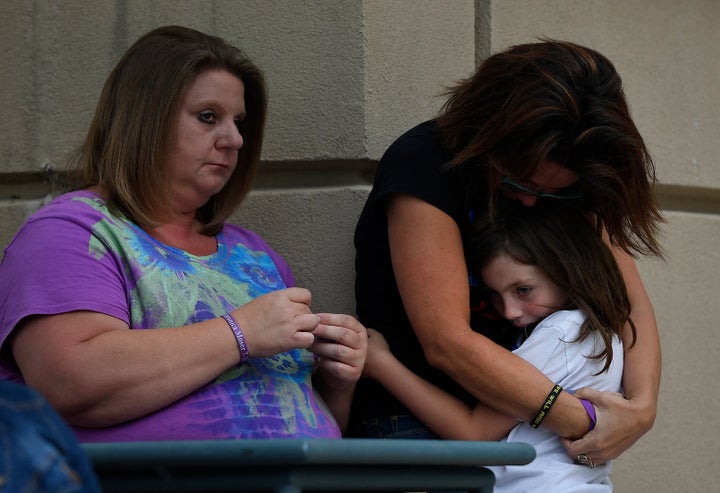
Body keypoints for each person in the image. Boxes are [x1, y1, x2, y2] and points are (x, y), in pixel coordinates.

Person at [0, 25, 367, 442]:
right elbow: (70, 383)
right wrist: (240, 332)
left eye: (239, 122)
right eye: (208, 117)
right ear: (145, 120)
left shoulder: (255, 254)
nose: (234, 139)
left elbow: (300, 418)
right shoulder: (71, 232)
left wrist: (336, 385)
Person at [351, 40, 663, 466]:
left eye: (555, 192)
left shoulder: (574, 170)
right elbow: (447, 343)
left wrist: (641, 411)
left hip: (520, 426)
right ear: (491, 132)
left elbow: (629, 307)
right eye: (519, 183)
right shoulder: (424, 164)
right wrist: (585, 420)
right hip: (415, 424)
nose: (533, 202)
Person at [364, 202, 634, 491]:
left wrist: (382, 364)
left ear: (566, 270)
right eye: (495, 294)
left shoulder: (561, 334)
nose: (509, 311)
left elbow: (473, 431)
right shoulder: (603, 336)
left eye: (523, 290)